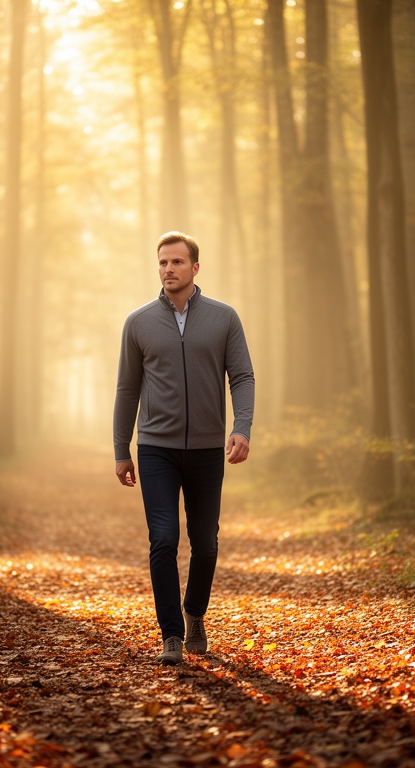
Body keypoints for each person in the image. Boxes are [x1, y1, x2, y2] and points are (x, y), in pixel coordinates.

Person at [113, 231, 255, 665]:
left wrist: (242, 426)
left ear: (195, 267)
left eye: (176, 262)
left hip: (208, 449)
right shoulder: (138, 323)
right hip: (156, 446)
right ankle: (172, 634)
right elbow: (127, 388)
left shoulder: (223, 318)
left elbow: (243, 377)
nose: (168, 269)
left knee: (205, 542)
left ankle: (195, 614)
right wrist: (122, 449)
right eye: (162, 263)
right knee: (163, 539)